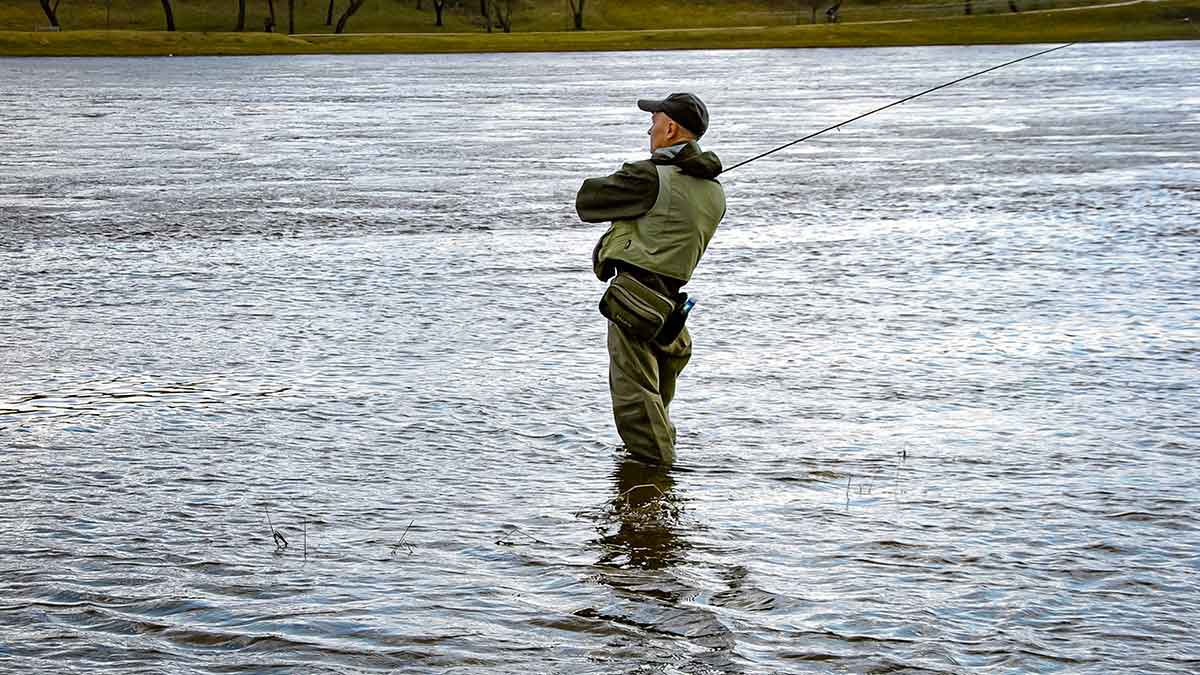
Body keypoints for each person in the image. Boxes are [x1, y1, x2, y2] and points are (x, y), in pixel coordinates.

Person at [575, 93, 727, 465]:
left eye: (655, 121)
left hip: (637, 305)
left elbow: (588, 201)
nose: (649, 128)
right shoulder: (714, 190)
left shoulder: (648, 177)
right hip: (670, 314)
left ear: (671, 128)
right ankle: (660, 496)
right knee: (656, 405)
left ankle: (655, 489)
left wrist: (655, 168)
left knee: (636, 407)